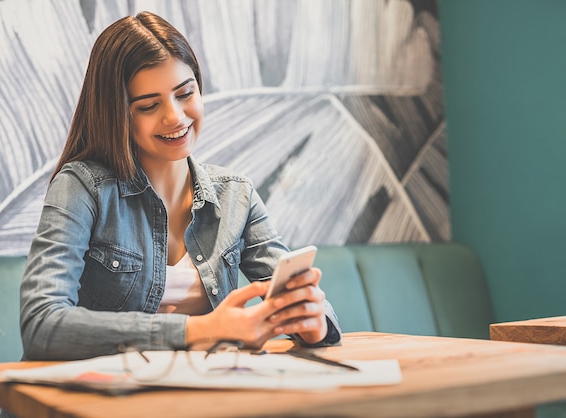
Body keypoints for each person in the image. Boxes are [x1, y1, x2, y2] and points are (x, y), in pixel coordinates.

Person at [19, 10, 341, 362]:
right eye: (149, 105)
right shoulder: (81, 188)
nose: (174, 117)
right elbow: (41, 325)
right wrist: (202, 330)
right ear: (116, 114)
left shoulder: (236, 195)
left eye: (185, 93)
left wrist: (314, 324)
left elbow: (311, 307)